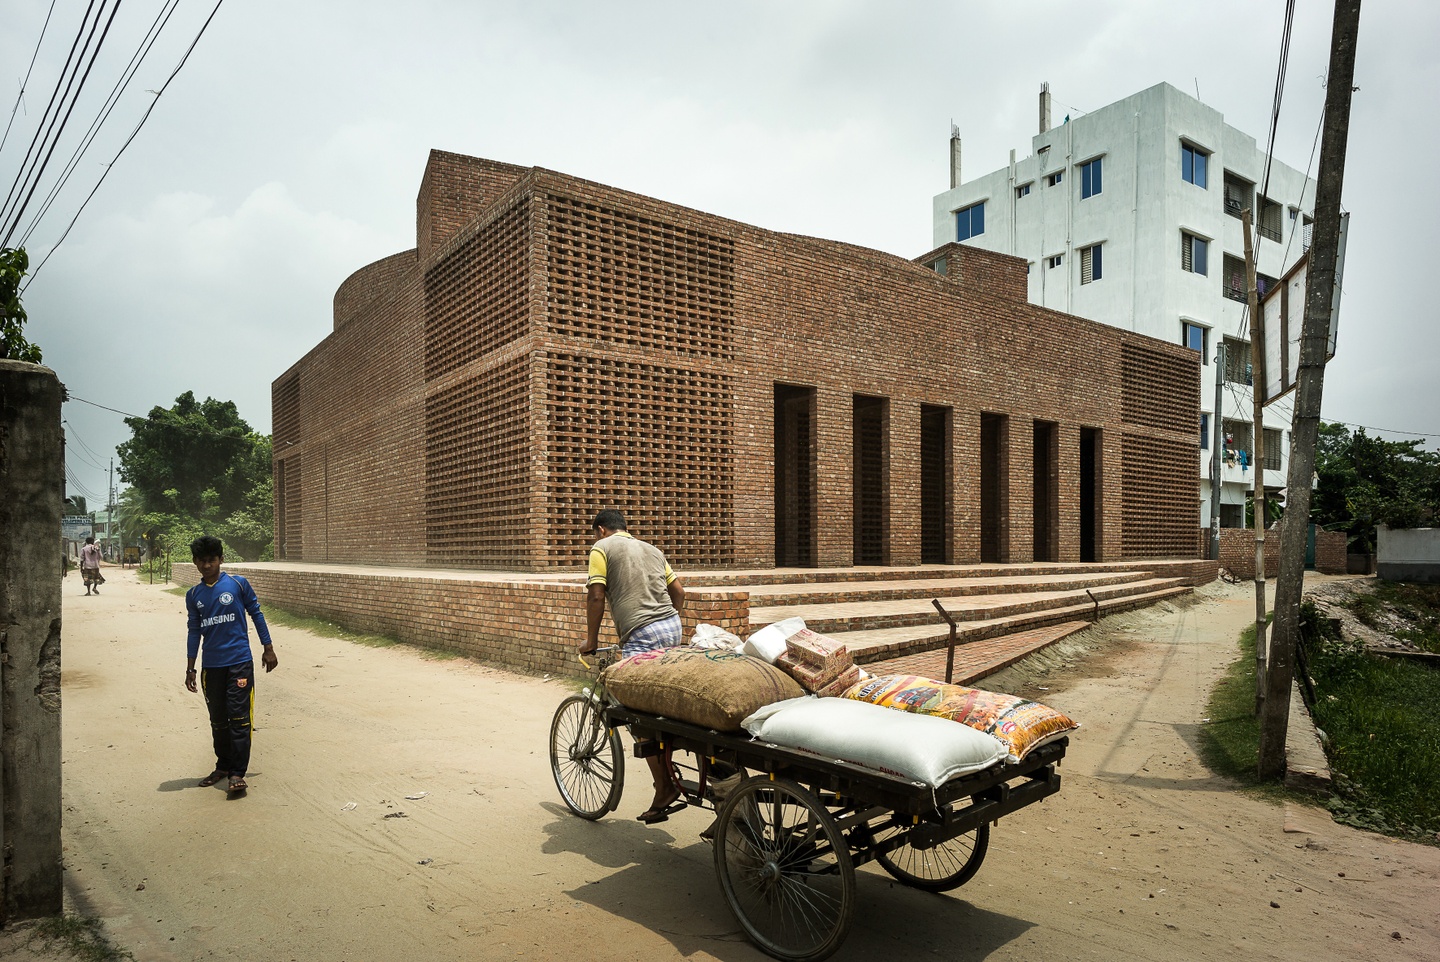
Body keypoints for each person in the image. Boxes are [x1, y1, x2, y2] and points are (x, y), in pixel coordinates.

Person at [581, 509, 687, 823]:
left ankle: (664, 785)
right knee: (664, 701)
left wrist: (590, 640)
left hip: (641, 633)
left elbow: (596, 596)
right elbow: (679, 592)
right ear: (625, 528)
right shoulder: (652, 549)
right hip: (672, 626)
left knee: (634, 711)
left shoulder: (601, 549)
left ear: (600, 530)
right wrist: (669, 622)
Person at [184, 535, 278, 796]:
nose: (206, 566)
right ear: (195, 562)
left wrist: (267, 647)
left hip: (239, 663)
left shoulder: (238, 583)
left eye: (211, 561)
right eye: (201, 561)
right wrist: (191, 667)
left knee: (239, 719)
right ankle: (222, 767)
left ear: (221, 559)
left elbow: (256, 613)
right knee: (218, 721)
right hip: (210, 667)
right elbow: (194, 631)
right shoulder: (193, 595)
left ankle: (237, 773)